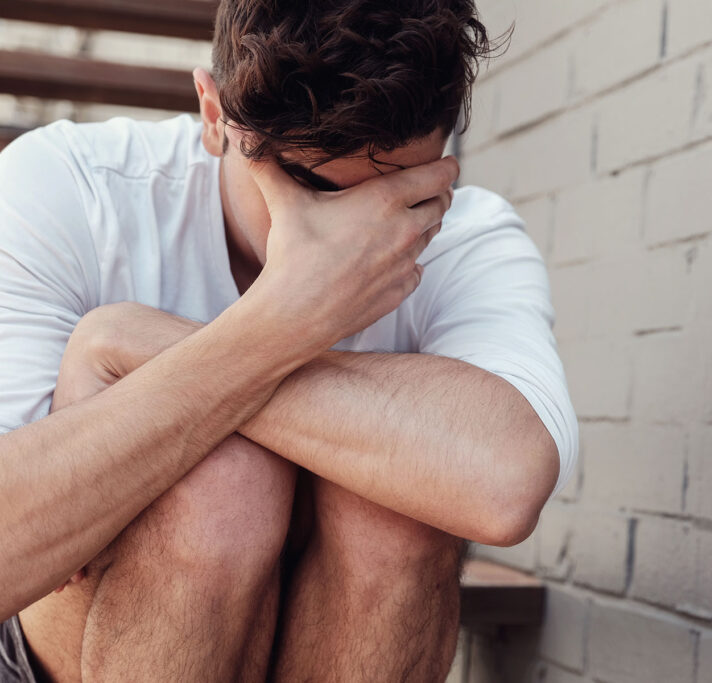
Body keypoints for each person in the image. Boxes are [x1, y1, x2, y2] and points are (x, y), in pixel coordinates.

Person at [0, 1, 578, 680]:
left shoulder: (470, 236)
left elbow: (505, 482)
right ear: (214, 116)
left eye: (400, 195)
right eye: (312, 187)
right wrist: (282, 319)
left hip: (334, 626)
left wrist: (136, 342)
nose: (356, 236)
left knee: (394, 511)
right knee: (224, 488)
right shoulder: (72, 186)